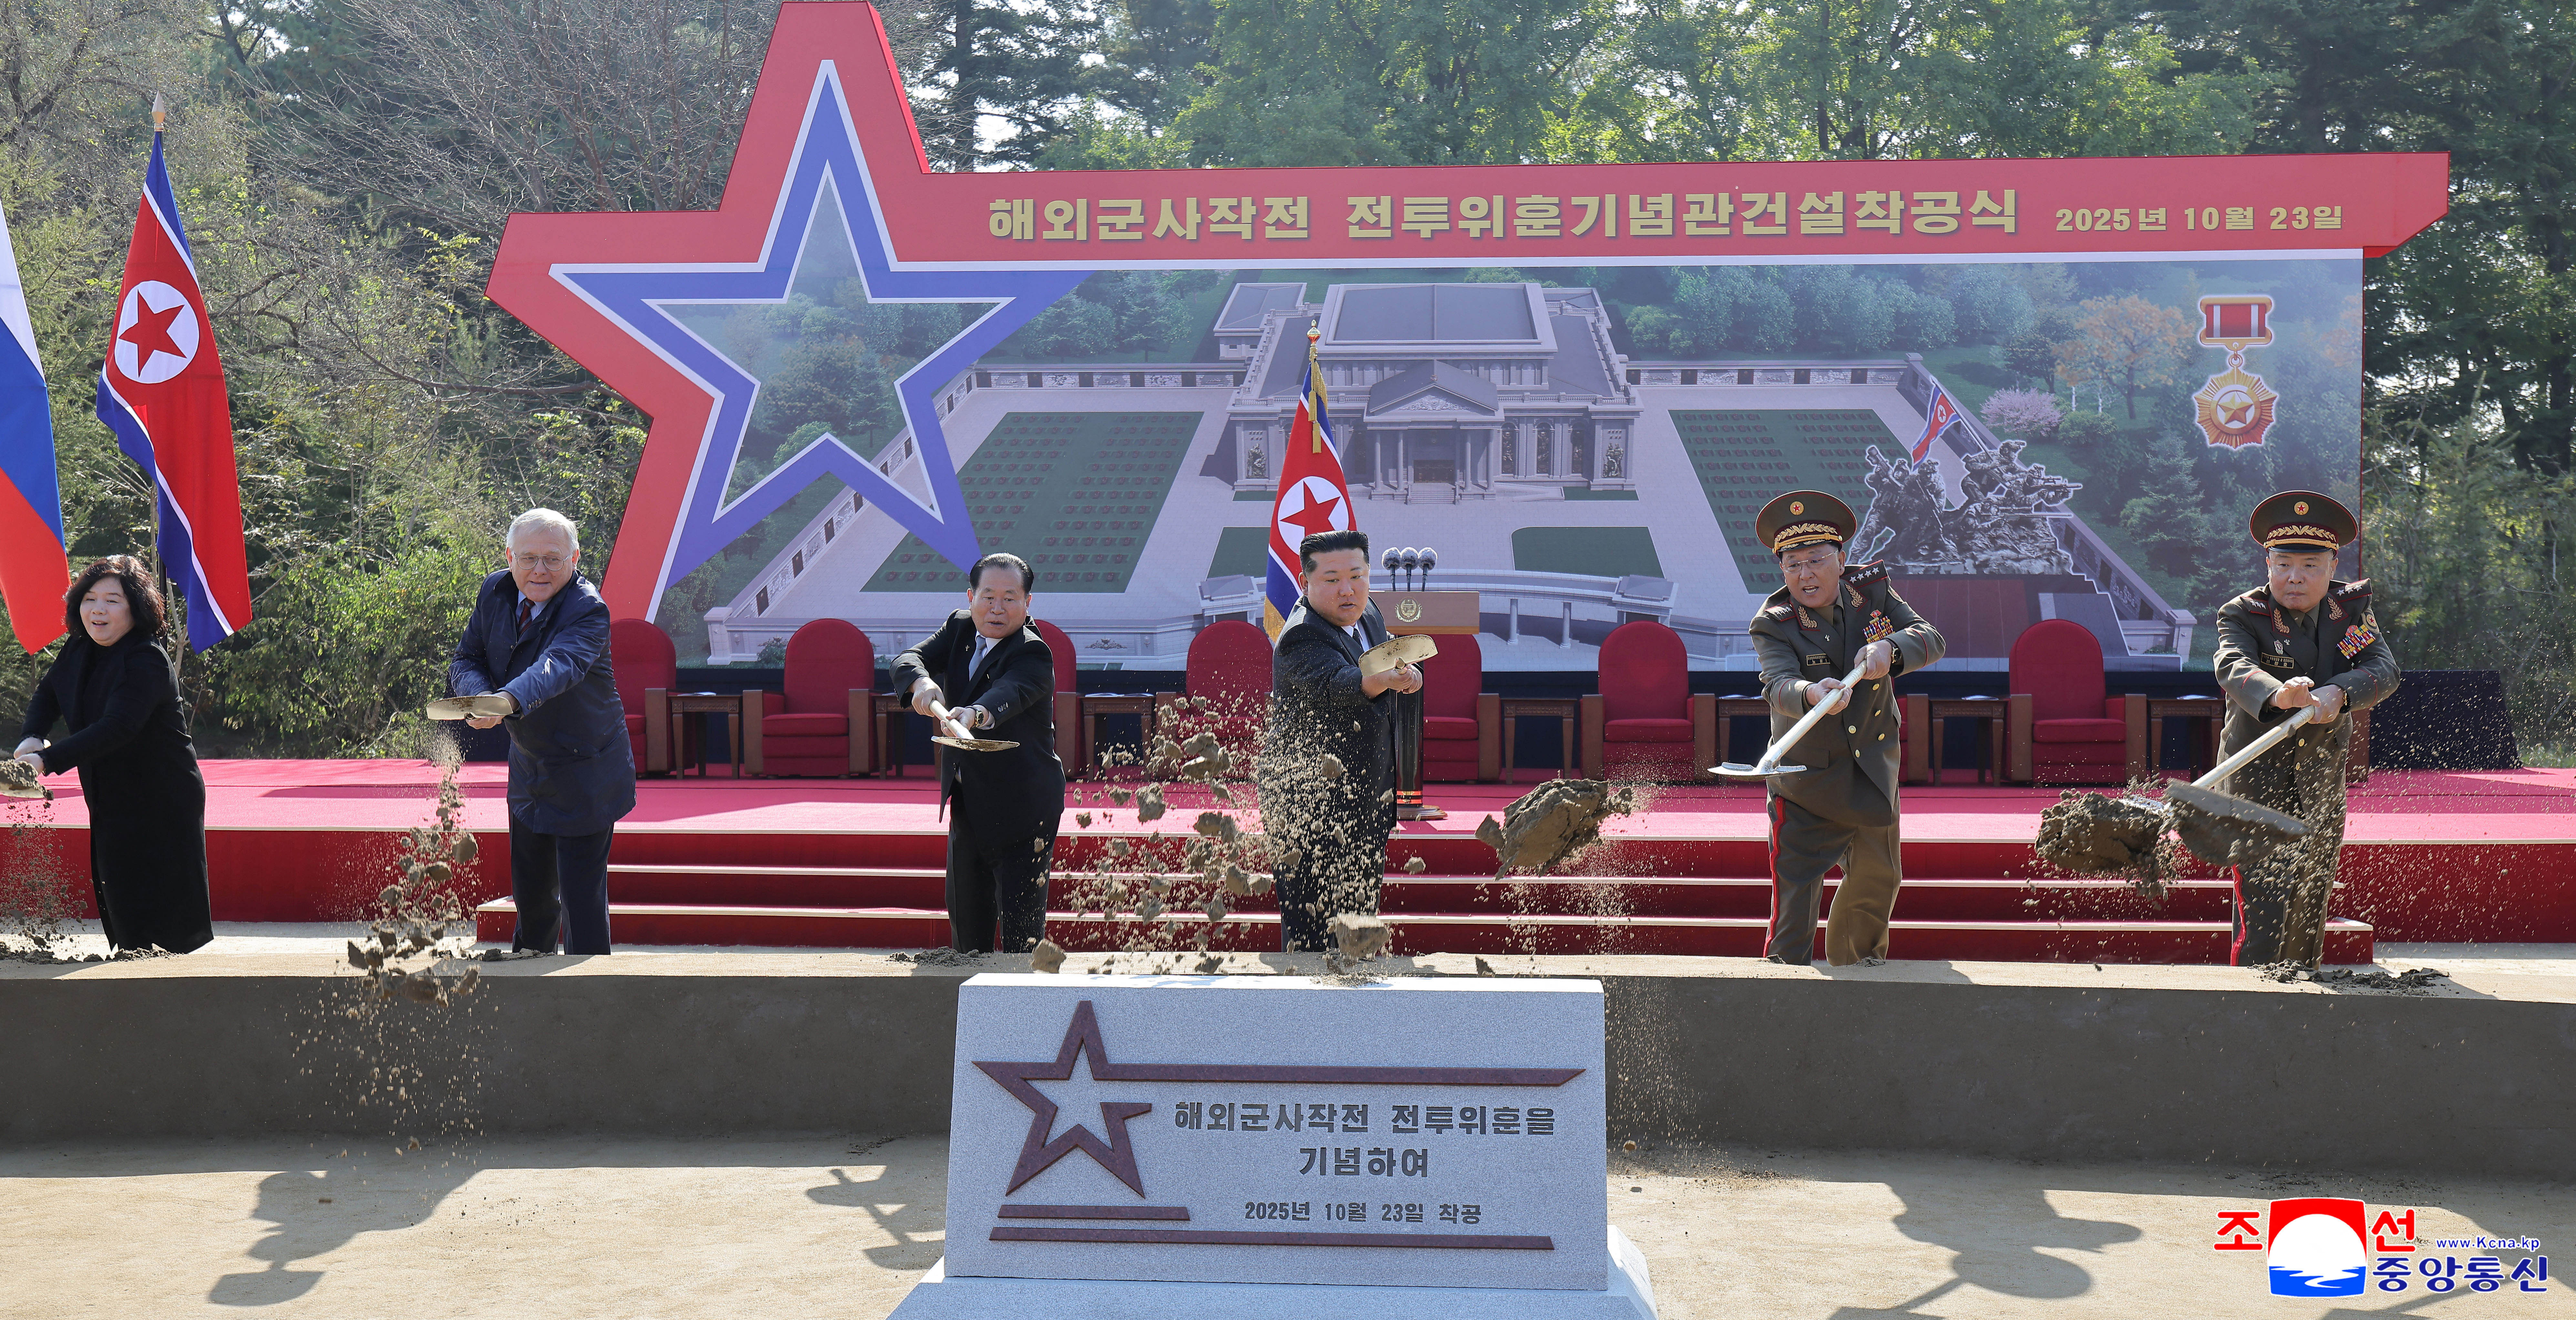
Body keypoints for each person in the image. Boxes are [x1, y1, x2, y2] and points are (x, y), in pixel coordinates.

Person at [1747, 491, 1946, 967]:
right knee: (1794, 900)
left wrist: (1889, 653)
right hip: (1805, 779)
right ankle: (1782, 987)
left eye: (1815, 560)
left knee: (1877, 882)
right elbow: (1776, 684)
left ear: (1841, 559)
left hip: (1871, 771)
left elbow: (1929, 638)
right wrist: (1813, 694)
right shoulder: (1773, 623)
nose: (1804, 575)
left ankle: (1860, 974)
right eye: (1792, 565)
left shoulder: (1873, 593)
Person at [2212, 491, 2400, 968]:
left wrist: (2340, 692)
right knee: (2262, 895)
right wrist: (2279, 695)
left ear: (2332, 564)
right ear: (2267, 563)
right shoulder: (2242, 613)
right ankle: (2252, 995)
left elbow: (2383, 669)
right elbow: (2232, 665)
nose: (2294, 577)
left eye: (2310, 566)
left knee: (2310, 890)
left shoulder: (2350, 613)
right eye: (2283, 564)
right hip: (2255, 775)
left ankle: (2303, 987)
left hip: (2319, 774)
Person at [448, 508, 634, 955]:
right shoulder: (495, 590)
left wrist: (505, 702)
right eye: (528, 558)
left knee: (580, 901)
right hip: (530, 765)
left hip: (588, 769)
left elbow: (558, 666)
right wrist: (477, 699)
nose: (539, 570)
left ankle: (590, 999)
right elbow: (466, 660)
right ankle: (527, 995)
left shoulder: (587, 608)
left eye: (552, 559)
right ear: (509, 556)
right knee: (531, 897)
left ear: (574, 559)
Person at [11, 556, 211, 953]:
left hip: (161, 798)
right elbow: (49, 693)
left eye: (113, 600)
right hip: (110, 794)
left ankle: (176, 993)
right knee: (121, 898)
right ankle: (130, 969)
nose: (98, 609)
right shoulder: (79, 648)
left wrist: (47, 761)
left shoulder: (146, 658)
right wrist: (32, 737)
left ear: (137, 608)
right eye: (89, 598)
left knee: (165, 918)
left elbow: (118, 726)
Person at [890, 552, 1066, 954]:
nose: (997, 609)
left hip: (1025, 807)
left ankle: (1025, 1010)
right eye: (988, 596)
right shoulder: (958, 628)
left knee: (1022, 936)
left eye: (1010, 598)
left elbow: (1010, 692)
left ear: (1027, 603)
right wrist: (920, 683)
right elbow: (907, 658)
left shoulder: (1032, 652)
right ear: (971, 596)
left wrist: (973, 713)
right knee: (968, 929)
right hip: (970, 801)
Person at [1261, 528, 1423, 953]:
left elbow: (1388, 656)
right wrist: (1381, 682)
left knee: (1358, 918)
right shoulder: (1300, 635)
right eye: (1332, 580)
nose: (1347, 590)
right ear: (1305, 583)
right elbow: (1339, 683)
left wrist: (1407, 675)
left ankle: (1357, 1009)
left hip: (1366, 796)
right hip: (1309, 807)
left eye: (1357, 575)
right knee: (1313, 938)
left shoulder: (1367, 612)